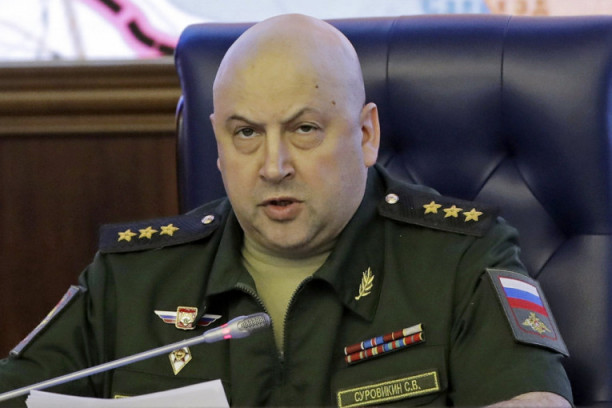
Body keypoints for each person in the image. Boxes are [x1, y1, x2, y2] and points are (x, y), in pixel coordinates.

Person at [0, 14, 572, 407]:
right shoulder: (130, 280)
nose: (274, 166)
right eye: (246, 133)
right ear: (218, 145)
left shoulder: (461, 261)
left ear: (366, 135)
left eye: (304, 129)